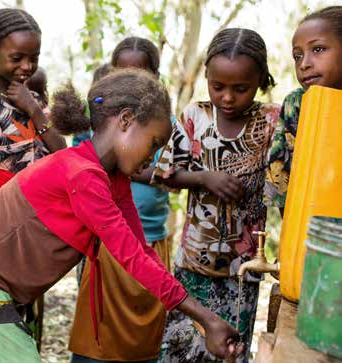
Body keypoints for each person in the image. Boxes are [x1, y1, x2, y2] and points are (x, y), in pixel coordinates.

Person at [0, 68, 242, 363]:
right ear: (126, 120)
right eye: (153, 144)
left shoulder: (114, 179)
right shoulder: (83, 176)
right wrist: (206, 318)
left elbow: (139, 251)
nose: (153, 158)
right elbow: (131, 257)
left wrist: (204, 320)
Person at [153, 28, 280, 363]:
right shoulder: (194, 116)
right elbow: (166, 173)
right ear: (207, 78)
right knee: (182, 350)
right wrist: (204, 177)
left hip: (243, 270)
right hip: (193, 263)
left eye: (241, 89)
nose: (227, 97)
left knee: (229, 352)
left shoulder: (271, 122)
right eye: (218, 86)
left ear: (261, 81)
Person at [69, 36, 174, 363]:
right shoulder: (98, 122)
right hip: (104, 243)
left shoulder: (160, 123)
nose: (134, 82)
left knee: (142, 335)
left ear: (156, 77)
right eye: (124, 72)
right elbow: (100, 169)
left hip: (149, 238)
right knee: (98, 333)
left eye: (142, 74)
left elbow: (166, 170)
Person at [0, 8, 66, 207]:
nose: (27, 66)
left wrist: (34, 110)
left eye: (34, 58)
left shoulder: (36, 99)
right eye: (17, 58)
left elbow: (61, 151)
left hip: (43, 208)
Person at [265, 5, 342, 214]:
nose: (304, 64)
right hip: (310, 227)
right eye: (297, 56)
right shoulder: (296, 104)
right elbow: (282, 176)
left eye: (318, 49)